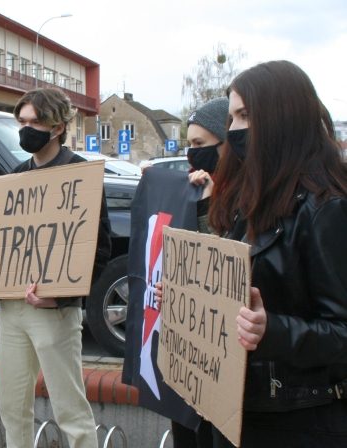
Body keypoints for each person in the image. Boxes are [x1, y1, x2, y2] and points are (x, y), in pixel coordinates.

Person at [160, 60, 347, 448]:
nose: (234, 130)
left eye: (245, 115)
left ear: (281, 115)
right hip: (235, 407)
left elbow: (340, 330)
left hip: (296, 421)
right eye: (231, 118)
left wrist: (272, 330)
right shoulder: (249, 197)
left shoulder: (326, 207)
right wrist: (186, 297)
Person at [0, 88, 112, 448]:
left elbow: (98, 248)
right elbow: (4, 245)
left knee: (70, 410)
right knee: (11, 405)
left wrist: (62, 297)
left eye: (35, 121)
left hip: (53, 311)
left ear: (58, 127)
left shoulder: (79, 173)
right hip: (12, 309)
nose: (26, 129)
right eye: (22, 121)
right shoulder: (16, 176)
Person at [168, 97, 229, 448]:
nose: (192, 154)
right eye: (189, 144)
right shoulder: (192, 192)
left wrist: (207, 202)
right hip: (189, 354)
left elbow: (218, 263)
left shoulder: (245, 200)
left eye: (200, 145)